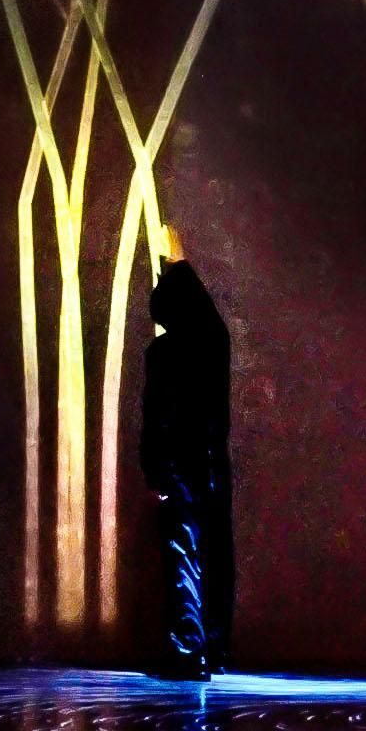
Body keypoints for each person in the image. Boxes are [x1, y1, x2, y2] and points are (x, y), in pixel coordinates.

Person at [141, 221, 233, 679]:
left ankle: (187, 652)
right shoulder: (214, 344)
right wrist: (178, 261)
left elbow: (156, 418)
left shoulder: (163, 354)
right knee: (213, 553)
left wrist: (154, 470)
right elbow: (207, 316)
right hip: (211, 464)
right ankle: (210, 649)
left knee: (184, 555)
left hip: (180, 465)